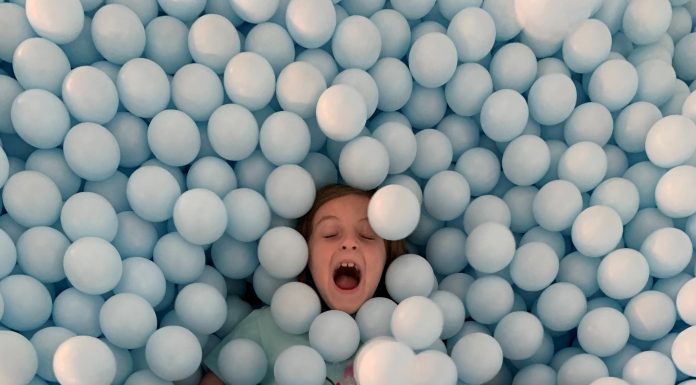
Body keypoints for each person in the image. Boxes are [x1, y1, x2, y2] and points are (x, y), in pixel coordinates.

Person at [199, 184, 408, 385]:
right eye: (330, 234)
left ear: (387, 261)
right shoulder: (268, 326)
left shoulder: (401, 337)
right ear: (305, 257)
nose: (349, 243)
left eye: (367, 235)